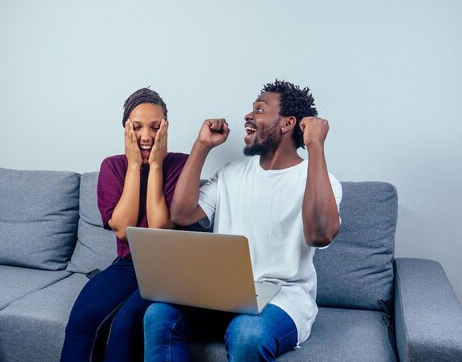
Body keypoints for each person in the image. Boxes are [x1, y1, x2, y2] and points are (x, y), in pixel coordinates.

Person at [143, 80, 342, 362]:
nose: (248, 116)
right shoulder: (230, 174)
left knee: (247, 334)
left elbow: (320, 235)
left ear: (288, 123)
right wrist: (201, 146)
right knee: (158, 314)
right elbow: (182, 214)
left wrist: (316, 147)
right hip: (223, 294)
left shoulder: (321, 181)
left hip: (283, 300)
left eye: (260, 109)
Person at [60, 88, 188, 362]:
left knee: (125, 326)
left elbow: (159, 229)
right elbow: (122, 228)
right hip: (128, 264)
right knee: (83, 317)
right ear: (125, 130)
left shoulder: (180, 166)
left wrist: (155, 166)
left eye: (155, 127)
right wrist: (133, 166)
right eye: (137, 128)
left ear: (165, 129)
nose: (146, 136)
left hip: (170, 270)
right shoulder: (113, 167)